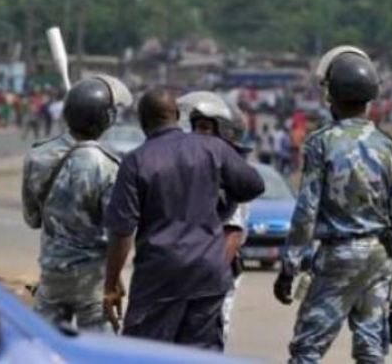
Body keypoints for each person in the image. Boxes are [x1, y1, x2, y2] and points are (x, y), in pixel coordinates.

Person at [273, 46, 392, 364]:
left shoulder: (320, 143)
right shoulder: (390, 149)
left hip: (337, 256)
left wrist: (289, 266)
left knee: (307, 349)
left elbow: (306, 211)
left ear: (331, 95)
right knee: (371, 351)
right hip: (378, 259)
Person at [103, 89, 264, 351]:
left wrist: (110, 284)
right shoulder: (214, 148)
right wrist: (221, 204)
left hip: (158, 277)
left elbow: (122, 231)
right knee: (198, 356)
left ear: (142, 122)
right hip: (207, 275)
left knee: (141, 354)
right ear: (177, 117)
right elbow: (254, 185)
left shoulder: (135, 162)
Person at [22, 75, 131, 332]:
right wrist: (113, 283)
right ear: (106, 119)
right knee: (99, 355)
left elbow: (32, 219)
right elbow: (118, 232)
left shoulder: (37, 155)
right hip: (93, 281)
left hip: (52, 276)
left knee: (43, 350)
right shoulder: (108, 165)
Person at [178, 90, 252, 343]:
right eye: (196, 127)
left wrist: (206, 280)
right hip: (181, 273)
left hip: (211, 277)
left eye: (205, 128)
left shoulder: (231, 173)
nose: (198, 134)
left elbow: (232, 234)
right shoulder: (187, 166)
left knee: (208, 343)